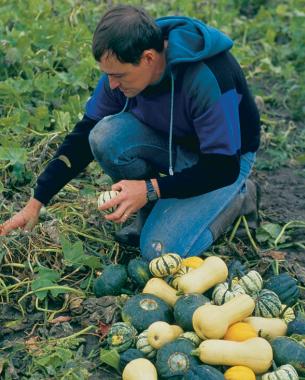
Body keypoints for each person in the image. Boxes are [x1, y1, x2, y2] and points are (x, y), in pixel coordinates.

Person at [0, 5, 260, 261]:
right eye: (108, 75)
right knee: (104, 136)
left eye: (119, 75)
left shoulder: (209, 76)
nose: (112, 84)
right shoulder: (122, 69)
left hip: (225, 163)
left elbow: (222, 167)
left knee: (160, 251)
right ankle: (148, 211)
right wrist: (36, 203)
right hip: (175, 142)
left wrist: (150, 188)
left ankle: (239, 198)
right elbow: (82, 137)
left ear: (148, 58)